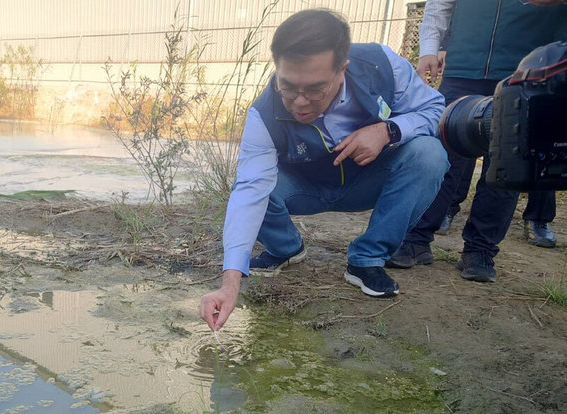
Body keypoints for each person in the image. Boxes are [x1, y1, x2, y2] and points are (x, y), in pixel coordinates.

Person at [199, 9, 448, 331]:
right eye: (287, 87)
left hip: (369, 178)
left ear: (342, 70)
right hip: (305, 189)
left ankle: (367, 259)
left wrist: (388, 130)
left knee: (429, 153)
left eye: (315, 89)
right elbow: (251, 190)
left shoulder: (381, 64)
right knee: (249, 187)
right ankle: (286, 248)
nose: (300, 102)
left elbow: (433, 108)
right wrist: (230, 282)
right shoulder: (263, 114)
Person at [388, 0, 567, 279]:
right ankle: (416, 238)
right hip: (462, 68)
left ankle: (480, 250)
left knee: (506, 166)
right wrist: (429, 49)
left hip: (526, 73)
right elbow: (441, 3)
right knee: (441, 157)